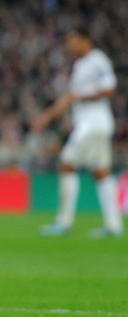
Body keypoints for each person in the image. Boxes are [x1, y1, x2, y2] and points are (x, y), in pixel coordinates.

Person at [32, 28, 123, 238]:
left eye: (74, 40)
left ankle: (64, 222)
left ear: (86, 40)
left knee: (66, 162)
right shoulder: (80, 65)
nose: (70, 45)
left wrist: (82, 95)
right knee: (101, 172)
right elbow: (69, 98)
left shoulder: (98, 60)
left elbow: (109, 89)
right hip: (93, 125)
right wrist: (46, 117)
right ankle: (113, 225)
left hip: (94, 124)